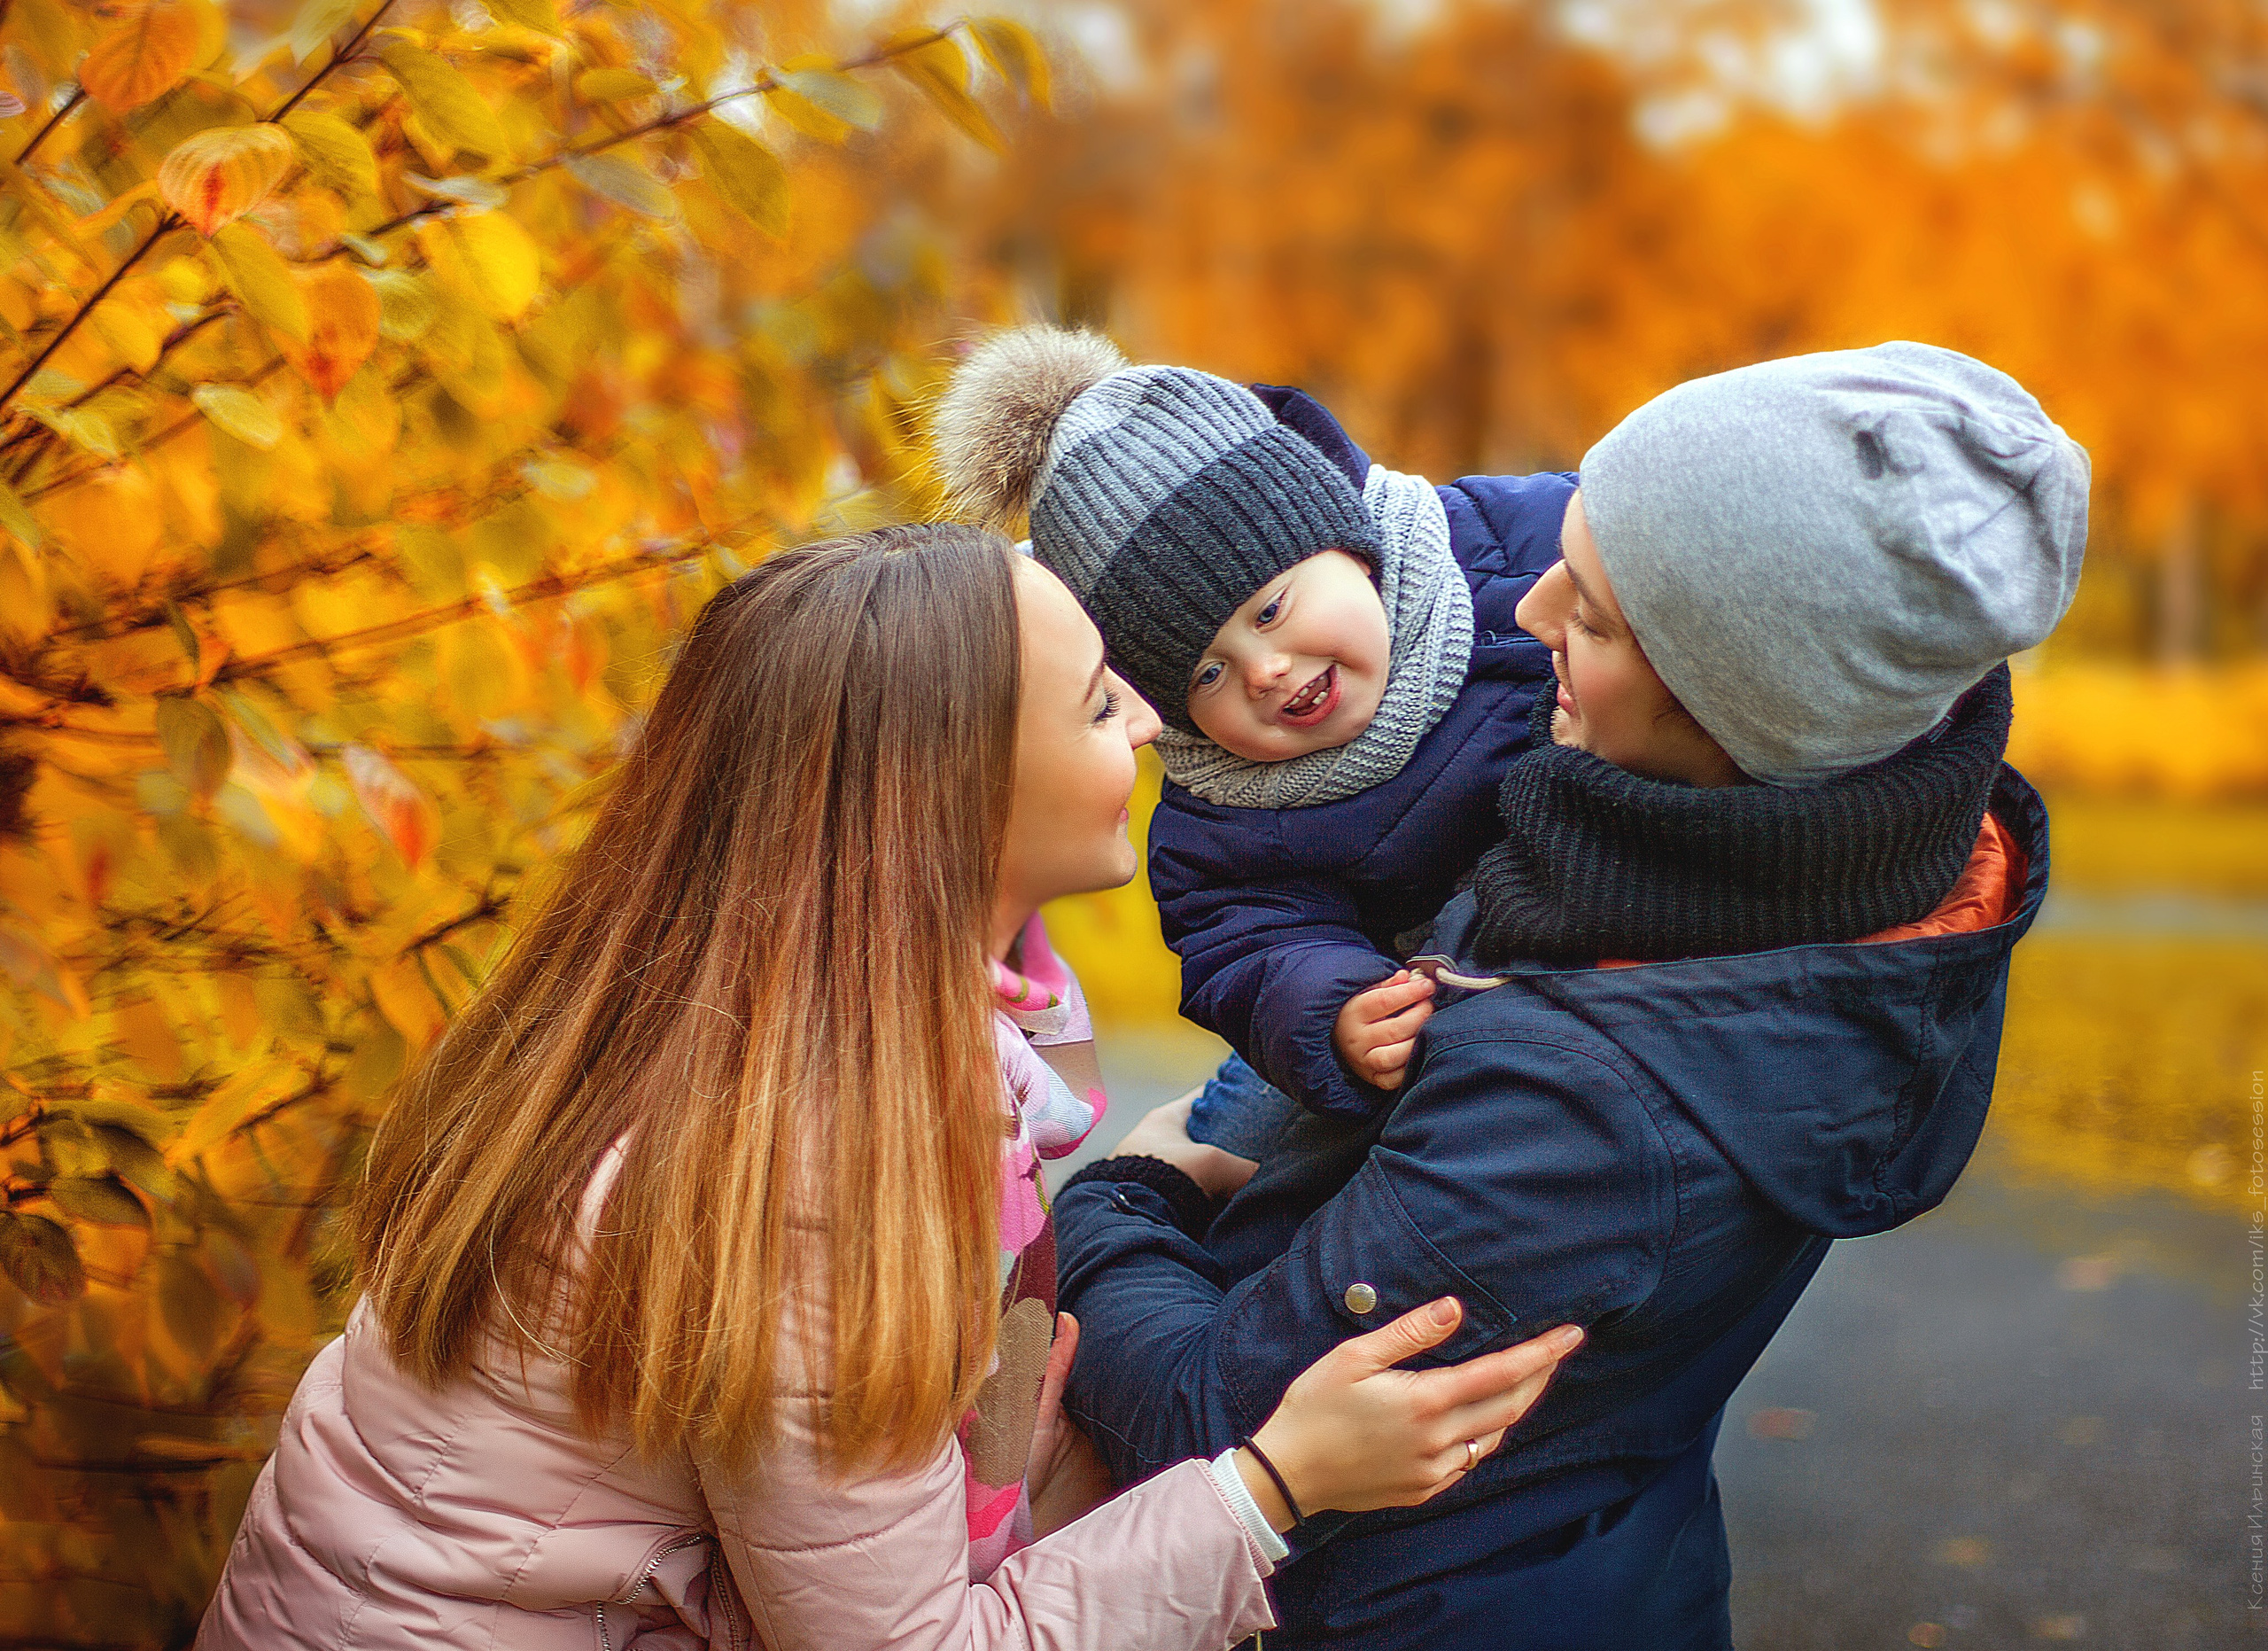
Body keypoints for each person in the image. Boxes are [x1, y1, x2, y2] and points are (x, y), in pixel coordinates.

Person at [195, 525, 1585, 1651]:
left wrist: (1144, 1185)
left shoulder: (745, 1003)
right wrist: (1276, 1483)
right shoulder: (820, 1158)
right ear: (958, 787)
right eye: (1101, 699)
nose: (1155, 722)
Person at [1049, 345, 2090, 1647]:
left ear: (1731, 694)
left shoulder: (1581, 1100)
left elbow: (1215, 1425)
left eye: (1589, 613)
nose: (1529, 610)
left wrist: (1113, 1200)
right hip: (1607, 1566)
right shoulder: (1791, 868)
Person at [935, 325, 1571, 1153]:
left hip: (1613, 885)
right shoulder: (1223, 819)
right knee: (1253, 1147)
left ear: (1345, 537)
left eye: (1270, 610)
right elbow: (1252, 947)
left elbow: (1645, 545)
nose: (1266, 670)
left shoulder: (1507, 546)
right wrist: (1334, 1012)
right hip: (1449, 1012)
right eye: (1207, 674)